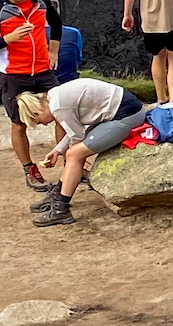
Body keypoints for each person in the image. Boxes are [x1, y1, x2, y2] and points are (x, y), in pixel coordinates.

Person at [0, 0, 62, 191]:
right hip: (13, 74)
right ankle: (29, 169)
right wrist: (8, 38)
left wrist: (53, 50)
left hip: (43, 70)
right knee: (18, 123)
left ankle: (70, 160)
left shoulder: (41, 2)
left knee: (62, 113)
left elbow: (57, 24)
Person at [18, 76, 148, 227]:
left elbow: (77, 136)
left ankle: (61, 208)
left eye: (39, 121)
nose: (45, 124)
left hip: (126, 116)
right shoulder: (54, 96)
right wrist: (58, 149)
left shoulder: (57, 107)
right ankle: (58, 195)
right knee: (73, 154)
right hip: (118, 113)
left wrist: (71, 154)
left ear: (36, 111)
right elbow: (76, 131)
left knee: (74, 155)